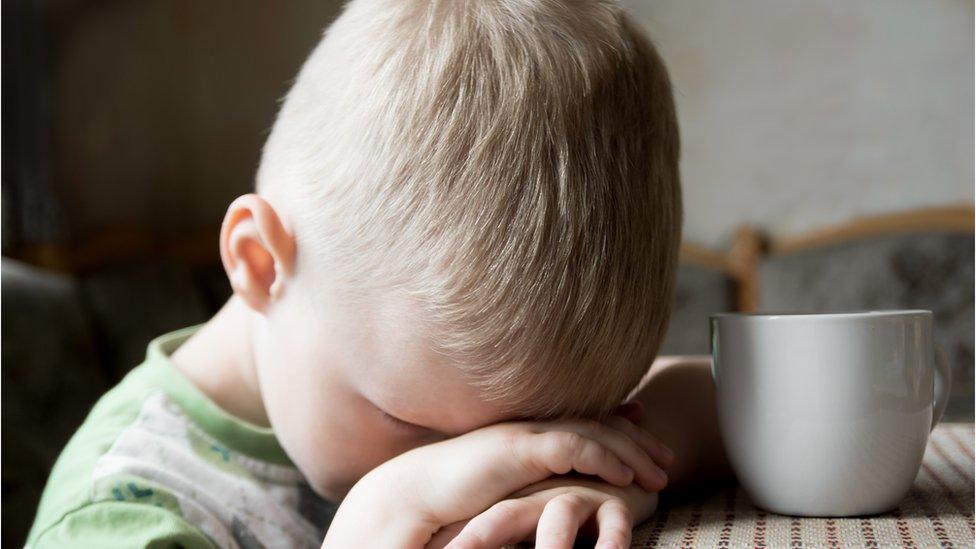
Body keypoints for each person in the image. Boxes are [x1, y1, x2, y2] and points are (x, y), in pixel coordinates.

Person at [27, 0, 730, 547]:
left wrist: (603, 458)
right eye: (412, 422)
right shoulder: (121, 518)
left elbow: (730, 397)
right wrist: (383, 513)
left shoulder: (429, 376)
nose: (477, 469)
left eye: (541, 433)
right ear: (261, 262)